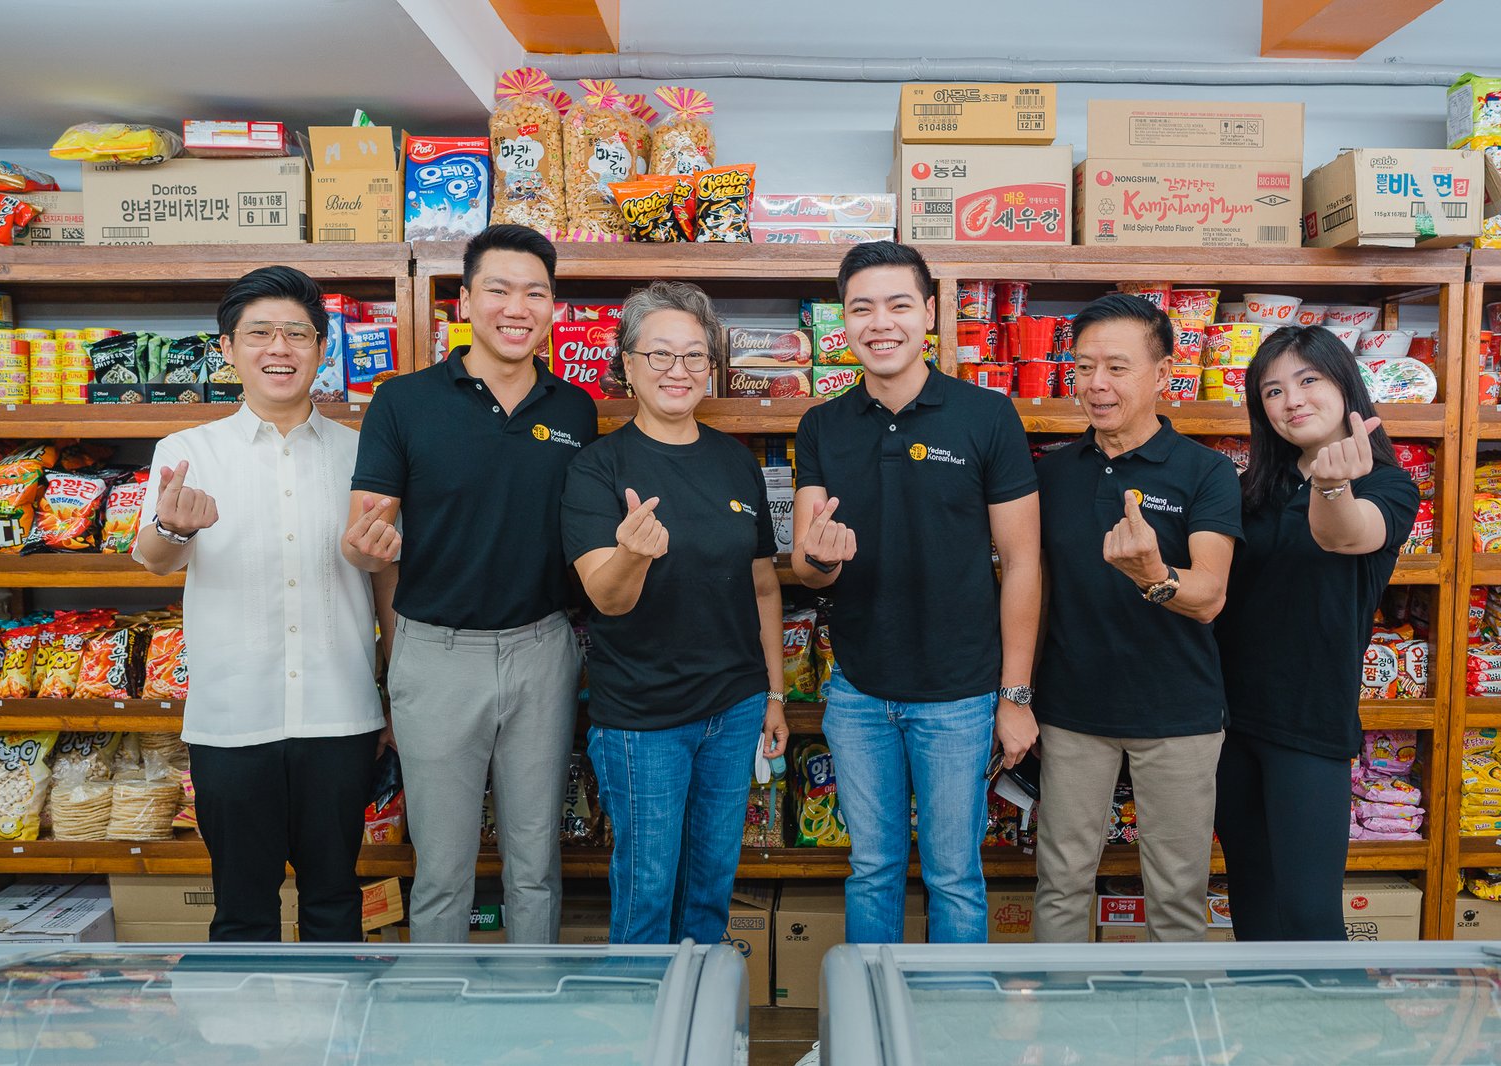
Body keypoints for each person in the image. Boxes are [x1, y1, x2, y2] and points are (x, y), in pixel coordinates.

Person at [344, 224, 598, 943]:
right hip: (436, 653)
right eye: (499, 289)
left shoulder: (575, 408)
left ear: (553, 308)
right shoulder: (403, 402)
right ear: (463, 301)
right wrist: (363, 548)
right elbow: (367, 535)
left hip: (544, 649)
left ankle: (533, 1000)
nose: (517, 308)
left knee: (536, 867)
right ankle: (435, 1008)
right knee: (442, 871)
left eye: (535, 293)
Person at [792, 241, 1041, 944]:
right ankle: (871, 1012)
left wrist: (1015, 695)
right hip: (858, 691)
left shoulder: (986, 415)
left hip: (960, 695)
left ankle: (950, 1013)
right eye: (861, 308)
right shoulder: (822, 425)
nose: (881, 323)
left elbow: (1024, 563)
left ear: (929, 314)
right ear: (844, 321)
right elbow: (808, 569)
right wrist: (821, 558)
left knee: (953, 875)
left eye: (898, 305)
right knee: (871, 869)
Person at [134, 265, 389, 941]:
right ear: (227, 348)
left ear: (322, 347)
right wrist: (173, 527)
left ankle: (335, 1015)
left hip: (339, 716)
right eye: (260, 333)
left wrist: (395, 692)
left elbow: (386, 579)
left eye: (298, 334)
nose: (280, 348)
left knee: (335, 902)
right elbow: (153, 559)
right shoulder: (188, 451)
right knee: (242, 910)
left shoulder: (362, 454)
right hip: (232, 722)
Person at [560, 280, 789, 944]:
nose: (677, 370)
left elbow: (763, 587)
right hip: (644, 719)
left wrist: (774, 694)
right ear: (627, 365)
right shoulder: (597, 469)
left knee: (710, 889)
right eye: (659, 354)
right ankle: (646, 1011)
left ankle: (702, 1008)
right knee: (647, 894)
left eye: (693, 355)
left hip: (736, 708)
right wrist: (633, 555)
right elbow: (606, 598)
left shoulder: (735, 462)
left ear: (711, 367)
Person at [1031, 293, 1242, 944]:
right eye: (1083, 366)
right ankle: (1057, 1012)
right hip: (1072, 712)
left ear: (1162, 374)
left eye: (1117, 367)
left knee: (1176, 897)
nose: (1096, 383)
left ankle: (1175, 1014)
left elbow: (1209, 595)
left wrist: (1152, 574)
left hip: (1178, 714)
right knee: (1060, 883)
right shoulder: (1052, 473)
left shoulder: (1206, 472)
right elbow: (1031, 587)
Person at [1214, 326, 1418, 941]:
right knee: (1251, 901)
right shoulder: (1250, 490)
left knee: (1309, 912)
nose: (1292, 400)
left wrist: (1332, 485)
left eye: (1308, 380)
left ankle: (1331, 1009)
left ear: (1345, 385)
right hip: (1228, 721)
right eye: (1272, 391)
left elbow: (1345, 534)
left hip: (1310, 723)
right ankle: (1259, 1008)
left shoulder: (1387, 485)